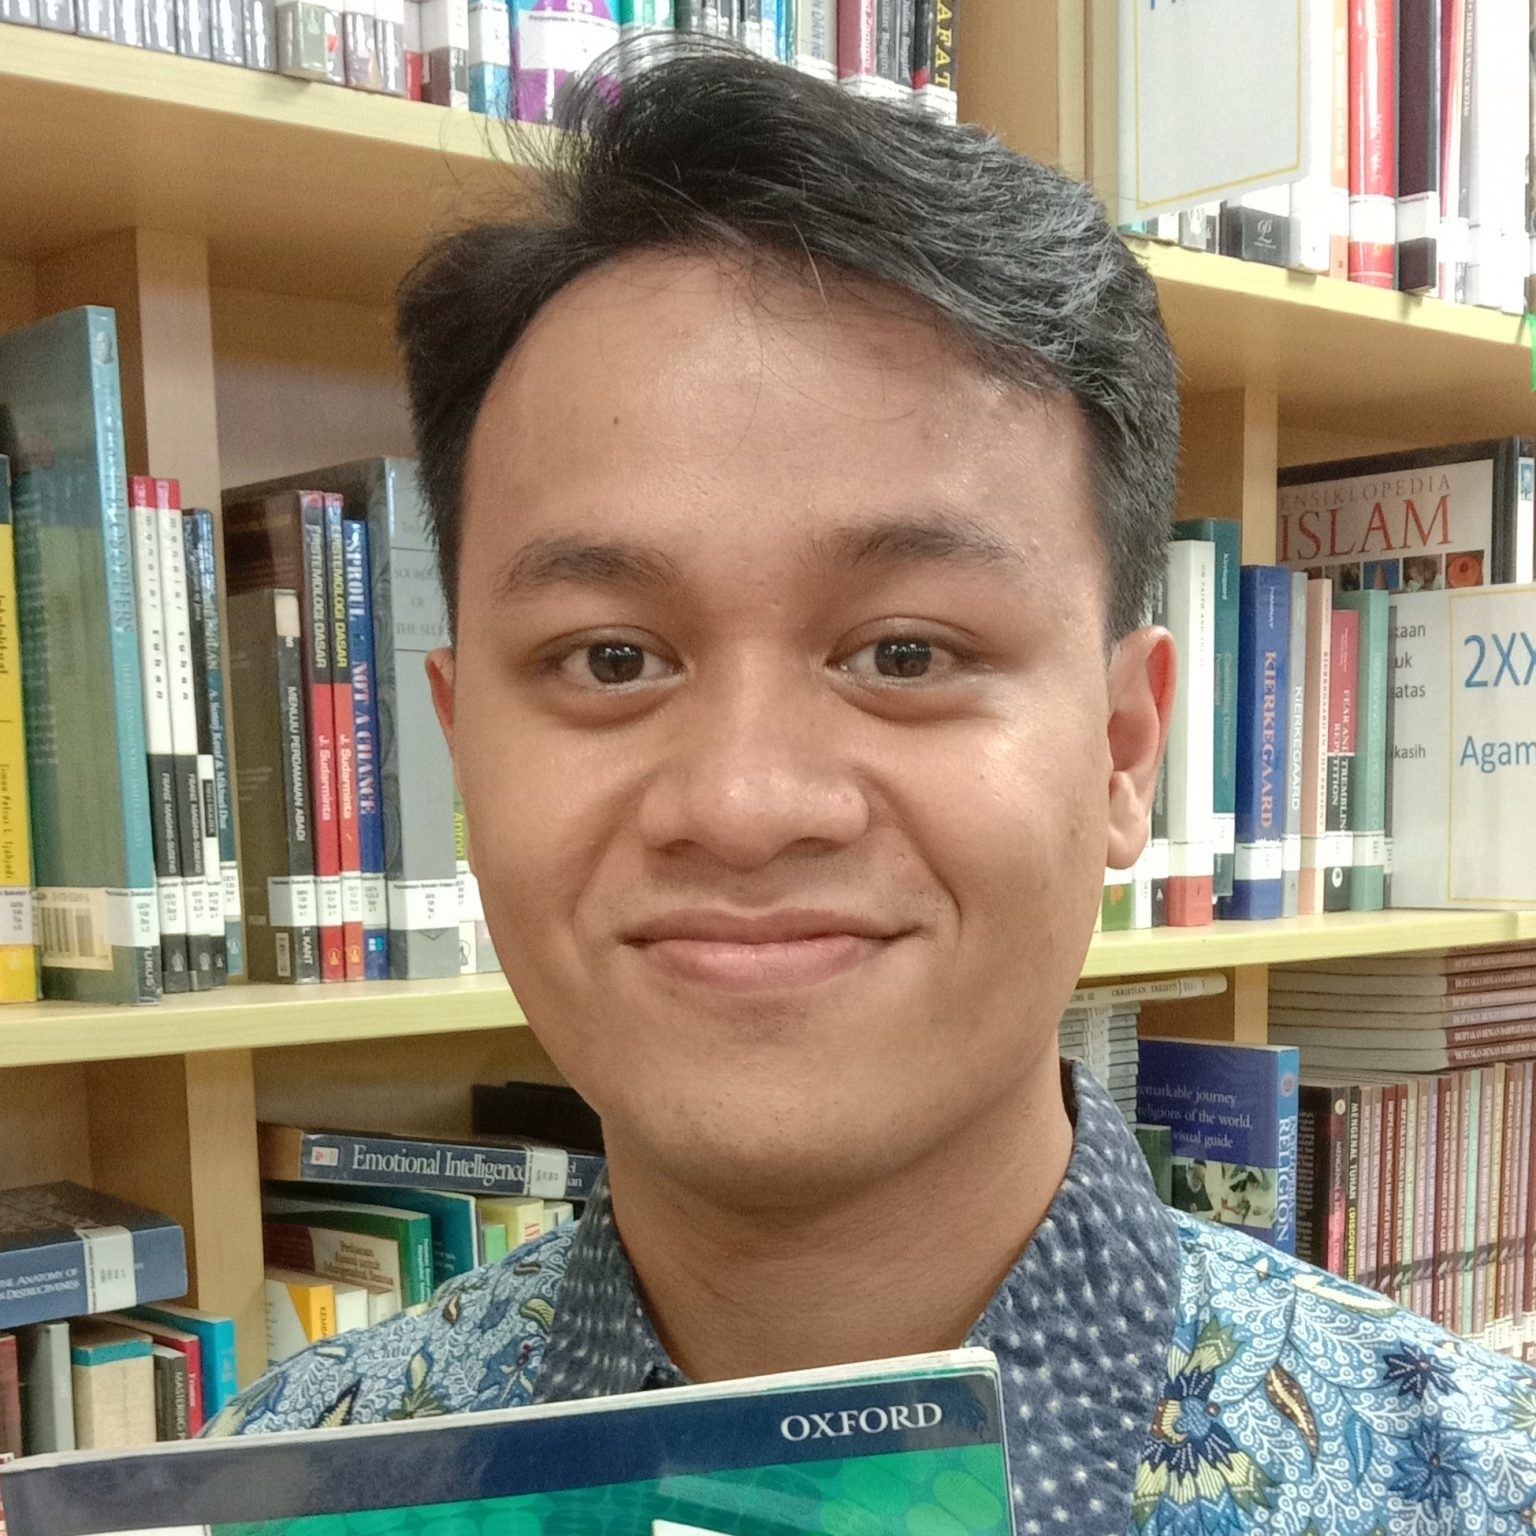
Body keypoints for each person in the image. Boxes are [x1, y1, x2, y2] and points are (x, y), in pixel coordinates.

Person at [209, 45, 1536, 1533]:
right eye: (610, 659)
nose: (745, 802)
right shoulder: (287, 1482)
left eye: (906, 652)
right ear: (463, 749)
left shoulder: (1472, 1492)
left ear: (1120, 748)